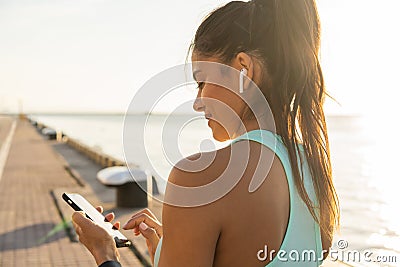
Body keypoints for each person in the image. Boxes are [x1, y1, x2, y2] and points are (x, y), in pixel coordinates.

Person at [72, 0, 340, 266]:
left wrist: (105, 254)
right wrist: (174, 248)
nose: (197, 101)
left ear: (242, 70)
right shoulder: (315, 174)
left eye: (202, 82)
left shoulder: (200, 179)